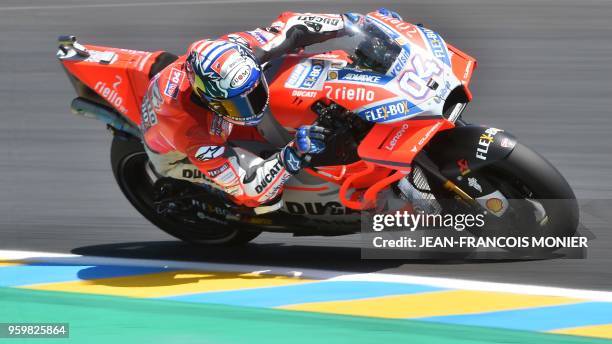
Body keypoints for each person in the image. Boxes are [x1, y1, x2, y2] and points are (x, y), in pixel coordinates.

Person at [140, 9, 401, 213]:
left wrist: (354, 24)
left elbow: (293, 26)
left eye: (252, 92)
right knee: (266, 202)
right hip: (175, 153)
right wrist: (292, 154)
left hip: (211, 110)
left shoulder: (240, 48)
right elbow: (248, 188)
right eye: (237, 103)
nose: (251, 105)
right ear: (208, 98)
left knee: (318, 61)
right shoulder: (191, 131)